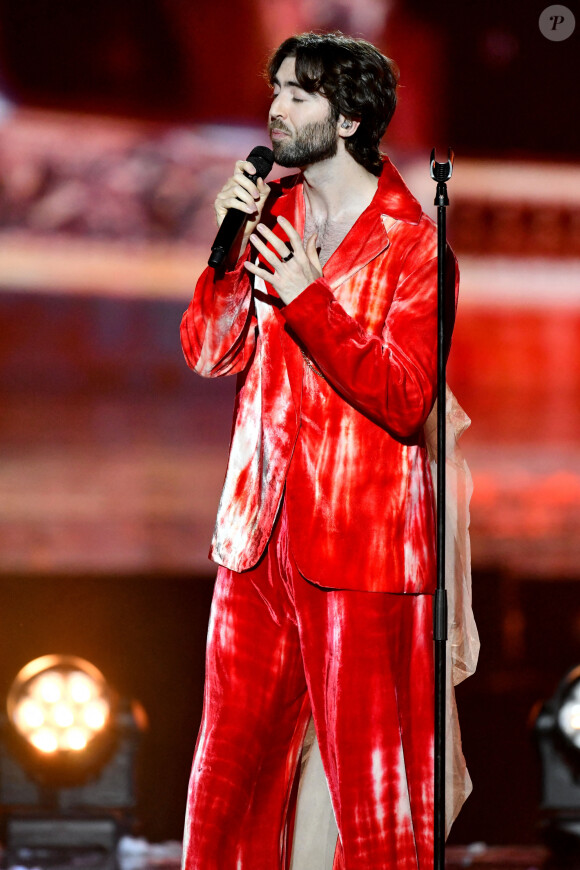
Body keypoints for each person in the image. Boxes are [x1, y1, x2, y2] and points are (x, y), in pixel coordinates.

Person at [180, 31, 463, 870]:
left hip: (360, 548)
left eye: (298, 94)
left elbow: (408, 400)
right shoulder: (269, 218)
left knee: (373, 793)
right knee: (226, 780)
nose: (275, 108)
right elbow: (206, 351)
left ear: (348, 118)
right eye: (275, 90)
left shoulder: (412, 247)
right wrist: (227, 246)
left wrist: (309, 299)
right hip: (256, 536)